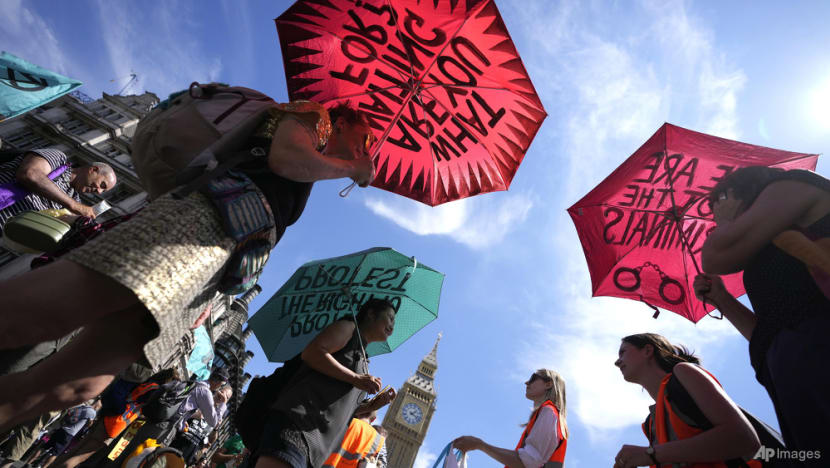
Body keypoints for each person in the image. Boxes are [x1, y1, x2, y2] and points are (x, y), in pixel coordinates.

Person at [0, 100, 376, 429]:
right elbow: (286, 158)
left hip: (217, 262)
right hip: (199, 224)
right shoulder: (312, 114)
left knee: (81, 383)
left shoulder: (315, 164)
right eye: (365, 138)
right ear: (341, 123)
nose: (368, 148)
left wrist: (209, 297)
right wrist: (348, 167)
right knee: (48, 306)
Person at [696, 166, 830, 462]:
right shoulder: (762, 243)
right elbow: (768, 330)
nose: (716, 211)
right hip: (790, 372)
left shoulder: (790, 184)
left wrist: (727, 223)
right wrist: (722, 299)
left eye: (720, 199)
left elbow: (713, 256)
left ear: (739, 190)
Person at [251, 298, 397, 468]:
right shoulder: (349, 327)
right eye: (390, 318)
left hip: (317, 449)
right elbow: (313, 352)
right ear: (371, 314)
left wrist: (371, 405)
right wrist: (356, 379)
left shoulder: (365, 360)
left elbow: (342, 408)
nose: (393, 325)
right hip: (298, 426)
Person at [612, 333, 760, 468]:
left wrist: (650, 454)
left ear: (647, 351)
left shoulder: (683, 373)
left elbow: (743, 438)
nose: (617, 362)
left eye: (623, 352)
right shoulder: (650, 423)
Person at [453, 368, 568, 468]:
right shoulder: (548, 415)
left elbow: (528, 462)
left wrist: (480, 445)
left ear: (548, 384)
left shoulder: (548, 412)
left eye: (533, 378)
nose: (526, 382)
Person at [0, 148, 116, 228]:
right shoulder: (58, 159)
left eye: (103, 191)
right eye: (102, 185)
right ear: (93, 170)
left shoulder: (73, 206)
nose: (99, 191)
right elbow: (30, 174)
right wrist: (74, 205)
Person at [23, 400, 100, 468]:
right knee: (55, 454)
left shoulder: (82, 407)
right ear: (97, 406)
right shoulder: (92, 413)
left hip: (61, 429)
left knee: (44, 447)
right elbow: (89, 425)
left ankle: (27, 464)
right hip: (69, 434)